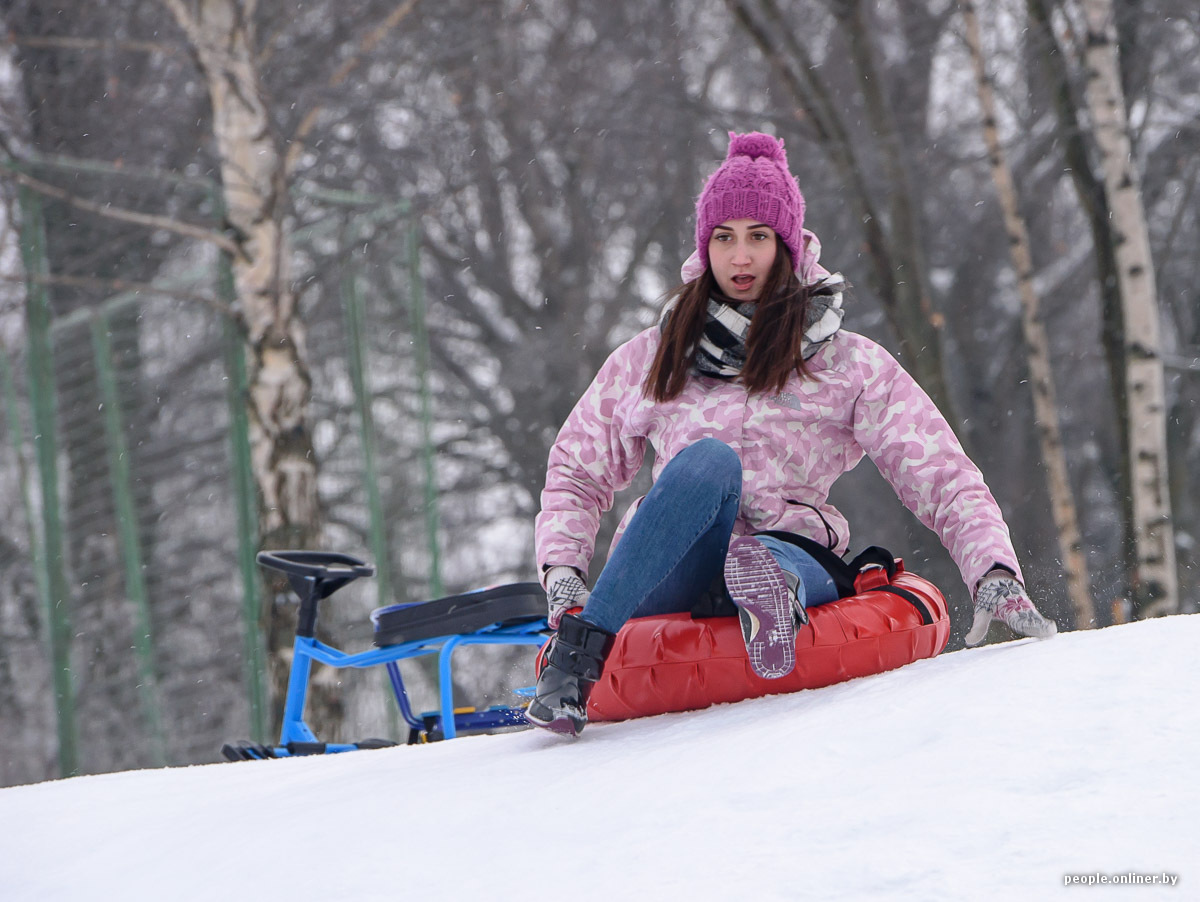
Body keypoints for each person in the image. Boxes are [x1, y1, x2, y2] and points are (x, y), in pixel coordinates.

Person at [526, 131, 1056, 737]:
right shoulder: (653, 358)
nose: (741, 257)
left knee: (774, 552)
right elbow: (576, 469)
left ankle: (764, 589)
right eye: (724, 238)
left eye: (759, 238)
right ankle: (579, 655)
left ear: (789, 245)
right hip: (670, 562)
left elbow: (936, 468)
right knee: (706, 464)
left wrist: (991, 566)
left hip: (792, 546)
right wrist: (563, 572)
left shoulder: (845, 363)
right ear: (705, 248)